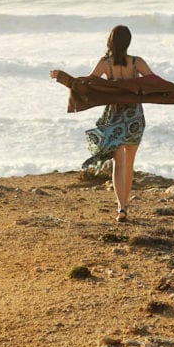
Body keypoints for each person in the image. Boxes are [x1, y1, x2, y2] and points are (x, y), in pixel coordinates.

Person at [51, 25, 153, 223]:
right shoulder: (137, 62)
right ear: (128, 42)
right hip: (134, 117)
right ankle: (126, 207)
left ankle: (121, 208)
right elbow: (155, 82)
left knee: (118, 163)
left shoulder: (105, 63)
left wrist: (64, 78)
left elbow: (86, 85)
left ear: (110, 41)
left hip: (114, 117)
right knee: (129, 164)